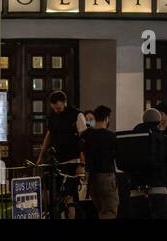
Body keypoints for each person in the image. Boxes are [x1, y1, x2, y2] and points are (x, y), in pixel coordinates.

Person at [127, 108, 167, 218]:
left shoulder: (133, 139)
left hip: (135, 192)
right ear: (159, 122)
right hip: (158, 191)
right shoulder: (164, 139)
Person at [36, 90, 82, 218]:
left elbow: (83, 139)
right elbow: (49, 136)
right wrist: (41, 156)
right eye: (55, 108)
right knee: (51, 194)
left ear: (65, 103)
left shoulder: (76, 115)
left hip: (72, 161)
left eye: (60, 108)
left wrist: (82, 163)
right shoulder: (52, 116)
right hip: (56, 162)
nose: (57, 111)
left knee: (69, 196)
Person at [80, 105, 118, 219]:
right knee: (109, 211)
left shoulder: (86, 135)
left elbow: (82, 153)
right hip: (106, 177)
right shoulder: (111, 136)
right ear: (107, 118)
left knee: (100, 210)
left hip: (91, 177)